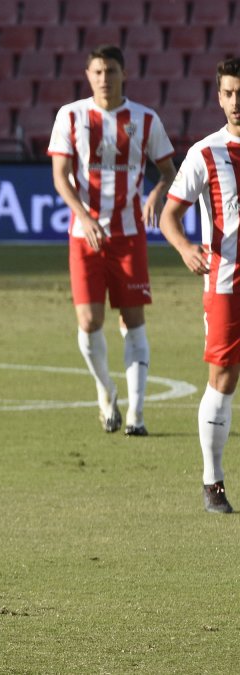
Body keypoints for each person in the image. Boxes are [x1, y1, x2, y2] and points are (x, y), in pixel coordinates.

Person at [48, 44, 176, 436]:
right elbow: (60, 176)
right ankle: (106, 393)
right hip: (84, 236)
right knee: (89, 322)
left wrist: (156, 193)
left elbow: (168, 171)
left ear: (124, 74)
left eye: (111, 71)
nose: (105, 78)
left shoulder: (145, 119)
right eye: (98, 71)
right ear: (88, 75)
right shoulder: (70, 116)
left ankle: (136, 415)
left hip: (130, 236)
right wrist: (83, 217)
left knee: (134, 320)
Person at [157, 57, 240, 514]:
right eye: (229, 93)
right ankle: (213, 482)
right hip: (227, 282)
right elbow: (169, 216)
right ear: (219, 96)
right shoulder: (206, 153)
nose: (236, 101)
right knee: (223, 379)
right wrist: (186, 247)